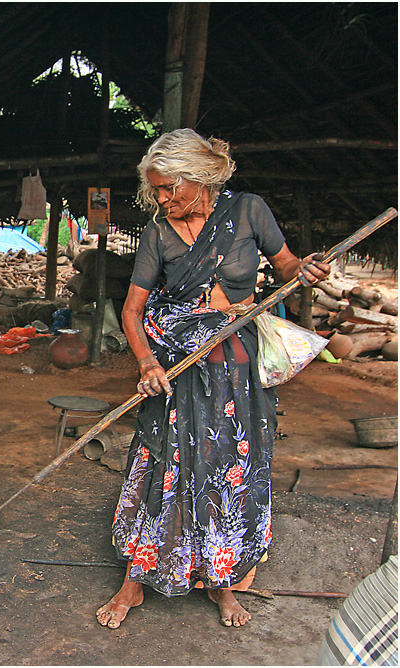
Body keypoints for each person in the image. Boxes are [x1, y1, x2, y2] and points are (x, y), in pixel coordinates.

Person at [96, 128, 330, 629]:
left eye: (168, 188)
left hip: (235, 370)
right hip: (178, 367)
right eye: (155, 189)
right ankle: (134, 582)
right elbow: (133, 311)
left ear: (200, 179)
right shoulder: (158, 232)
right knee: (166, 468)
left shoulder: (248, 211)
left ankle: (223, 582)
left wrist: (304, 271)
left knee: (230, 470)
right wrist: (147, 363)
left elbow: (288, 266)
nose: (161, 199)